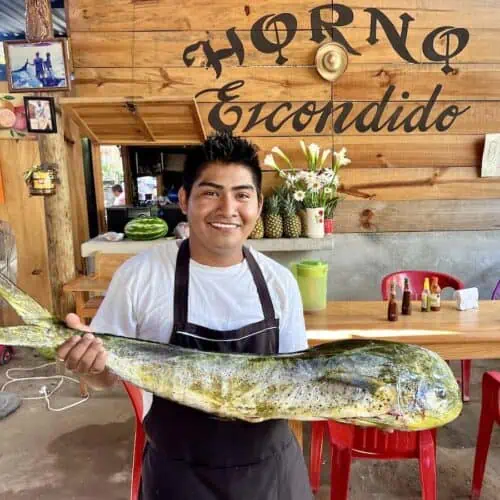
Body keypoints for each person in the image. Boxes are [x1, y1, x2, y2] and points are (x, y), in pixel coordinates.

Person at [56, 131, 313, 500]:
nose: (228, 208)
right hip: (178, 477)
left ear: (257, 205)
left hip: (270, 476)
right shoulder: (140, 276)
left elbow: (296, 384)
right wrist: (89, 367)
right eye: (211, 193)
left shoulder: (279, 282)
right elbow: (104, 379)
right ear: (183, 199)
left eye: (242, 195)